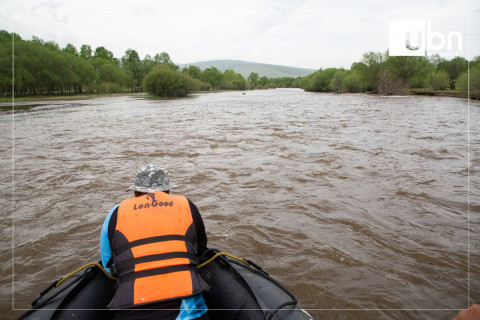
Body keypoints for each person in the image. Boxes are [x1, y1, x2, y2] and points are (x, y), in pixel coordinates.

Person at [100, 164, 210, 320]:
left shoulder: (116, 213)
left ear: (135, 191)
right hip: (187, 312)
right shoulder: (187, 205)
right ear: (168, 190)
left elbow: (108, 267)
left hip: (131, 310)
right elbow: (201, 250)